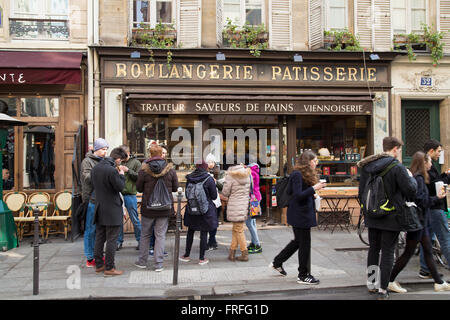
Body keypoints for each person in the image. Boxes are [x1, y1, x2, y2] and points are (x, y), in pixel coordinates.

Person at [357, 137, 417, 300]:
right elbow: (411, 190)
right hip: (391, 216)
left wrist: (366, 210)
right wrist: (411, 177)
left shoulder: (367, 166)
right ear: (395, 148)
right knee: (388, 252)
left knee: (373, 249)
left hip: (371, 215)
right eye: (399, 149)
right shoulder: (397, 167)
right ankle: (383, 289)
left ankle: (371, 283)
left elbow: (361, 192)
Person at [388, 151, 450, 293]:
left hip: (420, 222)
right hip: (418, 222)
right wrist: (438, 197)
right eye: (428, 161)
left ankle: (439, 283)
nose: (431, 164)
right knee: (408, 253)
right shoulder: (419, 179)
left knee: (427, 250)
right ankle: (389, 280)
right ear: (424, 163)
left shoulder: (417, 178)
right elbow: (421, 202)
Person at [269, 151, 325, 285]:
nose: (316, 163)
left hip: (302, 213)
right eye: (314, 160)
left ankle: (277, 262)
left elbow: (302, 193)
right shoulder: (296, 175)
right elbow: (298, 195)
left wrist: (314, 194)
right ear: (308, 161)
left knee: (298, 242)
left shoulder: (302, 174)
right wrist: (314, 189)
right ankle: (303, 275)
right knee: (304, 244)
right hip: (300, 215)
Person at [135, 144, 179, 271]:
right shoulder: (170, 169)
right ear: (162, 154)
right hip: (164, 208)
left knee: (145, 235)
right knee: (160, 235)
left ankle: (142, 261)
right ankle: (158, 264)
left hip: (148, 208)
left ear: (150, 154)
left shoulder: (143, 169)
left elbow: (138, 188)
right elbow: (175, 188)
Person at [91, 147, 128, 277]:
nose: (121, 164)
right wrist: (122, 175)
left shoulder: (96, 168)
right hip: (112, 209)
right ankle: (110, 268)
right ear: (117, 159)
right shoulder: (112, 171)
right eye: (121, 161)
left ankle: (99, 265)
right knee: (112, 239)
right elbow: (120, 187)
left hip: (100, 207)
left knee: (100, 238)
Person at [419, 139, 450, 278]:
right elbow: (434, 186)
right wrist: (446, 179)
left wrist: (444, 176)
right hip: (435, 207)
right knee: (445, 238)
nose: (439, 154)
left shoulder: (425, 164)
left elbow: (434, 182)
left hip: (429, 207)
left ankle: (425, 269)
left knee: (427, 239)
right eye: (438, 151)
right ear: (431, 151)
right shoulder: (427, 165)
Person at [180, 161, 218, 265]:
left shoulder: (189, 178)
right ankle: (201, 258)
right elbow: (214, 196)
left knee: (190, 232)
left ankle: (186, 255)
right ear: (206, 168)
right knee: (204, 233)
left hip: (192, 209)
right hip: (205, 210)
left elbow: (187, 195)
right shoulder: (209, 179)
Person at [80, 138, 109, 268]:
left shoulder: (104, 161)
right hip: (91, 199)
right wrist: (101, 173)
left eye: (106, 149)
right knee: (90, 229)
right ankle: (89, 256)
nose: (105, 152)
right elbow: (86, 178)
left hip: (102, 198)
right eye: (103, 149)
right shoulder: (87, 161)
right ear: (96, 149)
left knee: (100, 229)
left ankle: (98, 253)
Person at [221, 163, 252, 262]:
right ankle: (232, 253)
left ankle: (244, 253)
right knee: (236, 228)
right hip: (243, 204)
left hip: (234, 205)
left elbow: (225, 192)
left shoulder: (230, 175)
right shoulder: (247, 174)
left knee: (239, 230)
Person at [116, 145, 142, 251]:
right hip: (118, 194)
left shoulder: (136, 163)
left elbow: (139, 177)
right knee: (118, 220)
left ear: (128, 152)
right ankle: (118, 242)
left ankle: (140, 241)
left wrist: (128, 170)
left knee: (135, 219)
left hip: (130, 194)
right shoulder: (118, 162)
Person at [205, 153, 221, 250]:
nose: (210, 164)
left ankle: (212, 240)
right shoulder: (204, 173)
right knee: (207, 222)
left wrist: (216, 182)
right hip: (208, 201)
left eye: (212, 162)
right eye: (208, 162)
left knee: (215, 222)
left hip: (217, 201)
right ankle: (210, 240)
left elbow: (223, 186)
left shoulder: (219, 172)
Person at [246, 162, 262, 254]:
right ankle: (253, 243)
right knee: (253, 222)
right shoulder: (255, 171)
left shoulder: (251, 173)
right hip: (256, 198)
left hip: (253, 200)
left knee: (249, 223)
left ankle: (257, 245)